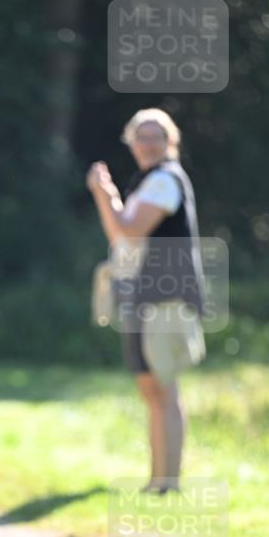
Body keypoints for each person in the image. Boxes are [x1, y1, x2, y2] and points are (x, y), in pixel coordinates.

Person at [86, 108, 204, 494]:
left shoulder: (165, 181)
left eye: (157, 137)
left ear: (172, 142)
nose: (149, 144)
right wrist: (109, 197)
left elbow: (129, 230)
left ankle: (167, 483)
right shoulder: (148, 182)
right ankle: (159, 481)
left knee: (164, 389)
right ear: (132, 143)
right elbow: (121, 235)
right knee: (151, 390)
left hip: (166, 298)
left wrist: (105, 194)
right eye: (142, 136)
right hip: (143, 298)